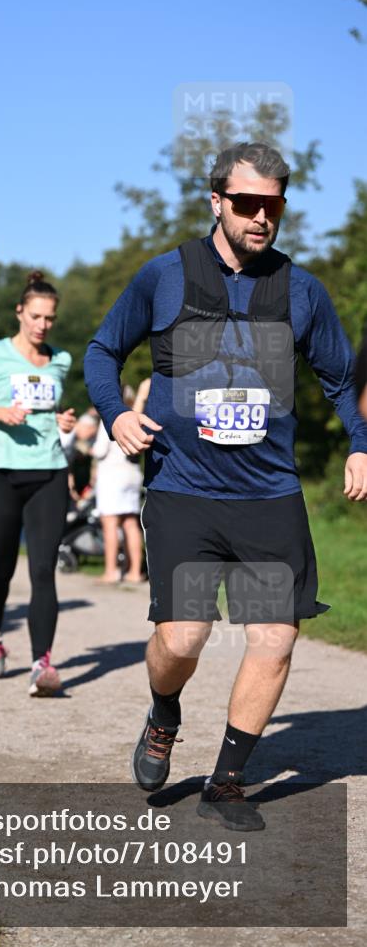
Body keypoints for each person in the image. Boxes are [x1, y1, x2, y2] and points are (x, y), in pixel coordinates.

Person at [84, 142, 367, 830]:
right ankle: (162, 714)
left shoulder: (300, 290)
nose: (260, 217)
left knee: (273, 636)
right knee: (183, 638)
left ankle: (227, 782)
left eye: (273, 205)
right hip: (183, 490)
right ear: (215, 200)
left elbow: (339, 378)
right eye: (246, 203)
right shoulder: (163, 277)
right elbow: (101, 351)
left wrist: (358, 444)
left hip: (268, 496)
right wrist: (117, 414)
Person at [0, 271, 76, 695]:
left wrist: (63, 419)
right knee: (3, 569)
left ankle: (42, 663)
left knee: (43, 570)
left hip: (49, 472)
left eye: (50, 319)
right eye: (36, 316)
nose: (43, 325)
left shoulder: (61, 360)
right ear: (20, 312)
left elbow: (51, 409)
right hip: (2, 474)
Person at [93, 380, 150, 584]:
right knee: (130, 523)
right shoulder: (136, 414)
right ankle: (135, 571)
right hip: (133, 473)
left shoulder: (110, 415)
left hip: (112, 474)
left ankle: (111, 571)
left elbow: (100, 449)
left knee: (110, 524)